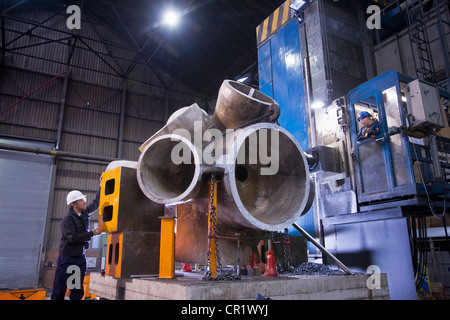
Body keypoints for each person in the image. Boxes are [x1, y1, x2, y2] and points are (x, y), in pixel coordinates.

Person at [51, 188, 101, 300]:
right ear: (74, 204)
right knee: (59, 290)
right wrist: (92, 233)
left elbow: (96, 203)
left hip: (78, 257)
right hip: (67, 259)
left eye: (84, 199)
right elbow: (72, 237)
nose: (84, 202)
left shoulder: (83, 213)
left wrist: (101, 185)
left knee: (76, 290)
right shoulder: (68, 219)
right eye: (81, 200)